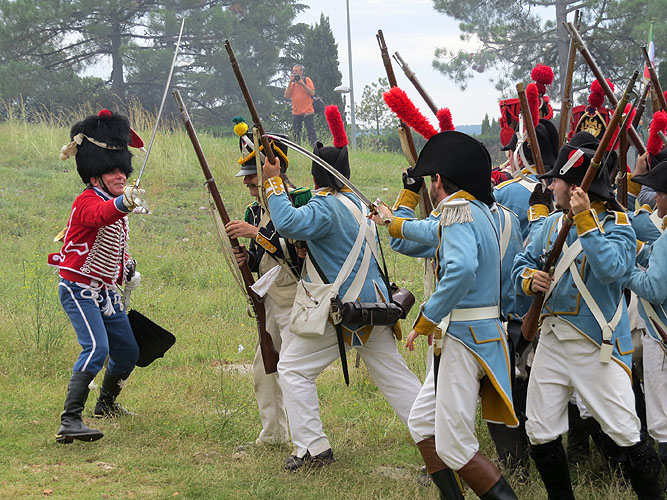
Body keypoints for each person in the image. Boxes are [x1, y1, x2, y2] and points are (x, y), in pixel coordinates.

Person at [261, 106, 422, 471]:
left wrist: (273, 182)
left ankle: (313, 448)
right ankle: (441, 443)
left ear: (316, 176)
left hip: (343, 311)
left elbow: (286, 223)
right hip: (375, 307)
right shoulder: (358, 203)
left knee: (293, 369)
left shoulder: (325, 206)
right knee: (397, 380)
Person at [512, 139, 664, 499]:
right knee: (540, 430)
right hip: (551, 342)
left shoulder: (618, 225)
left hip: (597, 346)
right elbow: (520, 265)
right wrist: (529, 280)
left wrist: (584, 221)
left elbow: (612, 270)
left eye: (556, 181)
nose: (550, 186)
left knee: (627, 433)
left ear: (575, 187)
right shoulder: (551, 225)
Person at [398, 131, 519, 499]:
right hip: (477, 333)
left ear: (438, 180)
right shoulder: (478, 211)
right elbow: (410, 236)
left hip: (464, 337)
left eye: (430, 181)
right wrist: (394, 214)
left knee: (454, 447)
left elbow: (462, 269)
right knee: (423, 424)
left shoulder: (456, 211)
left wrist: (427, 318)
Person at [48, 109, 147, 443]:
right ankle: (70, 421)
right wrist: (124, 204)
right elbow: (100, 216)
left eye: (122, 169)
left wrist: (127, 268)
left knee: (128, 352)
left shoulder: (115, 199)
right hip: (78, 288)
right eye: (112, 170)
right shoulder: (89, 201)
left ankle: (106, 404)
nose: (120, 175)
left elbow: (113, 243)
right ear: (95, 176)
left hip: (104, 291)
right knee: (96, 349)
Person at [224, 125, 305, 446]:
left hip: (296, 296)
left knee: (294, 371)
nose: (246, 181)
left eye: (252, 175)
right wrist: (247, 257)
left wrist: (254, 233)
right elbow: (264, 259)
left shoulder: (296, 201)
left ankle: (306, 439)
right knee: (264, 368)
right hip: (270, 297)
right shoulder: (255, 209)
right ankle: (273, 433)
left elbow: (296, 251)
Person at [627, 161, 667, 491]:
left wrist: (625, 271)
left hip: (660, 334)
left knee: (662, 418)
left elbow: (654, 288)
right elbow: (653, 254)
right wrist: (636, 251)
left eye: (661, 193)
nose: (656, 198)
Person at [284, 64, 317, 147]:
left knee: (311, 132)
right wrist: (290, 82)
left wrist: (302, 84)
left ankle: (314, 148)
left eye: (296, 71)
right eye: (293, 71)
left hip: (308, 111)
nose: (294, 73)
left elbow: (312, 93)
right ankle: (297, 148)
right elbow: (286, 96)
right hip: (296, 112)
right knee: (296, 133)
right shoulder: (292, 84)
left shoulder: (307, 80)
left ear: (301, 72)